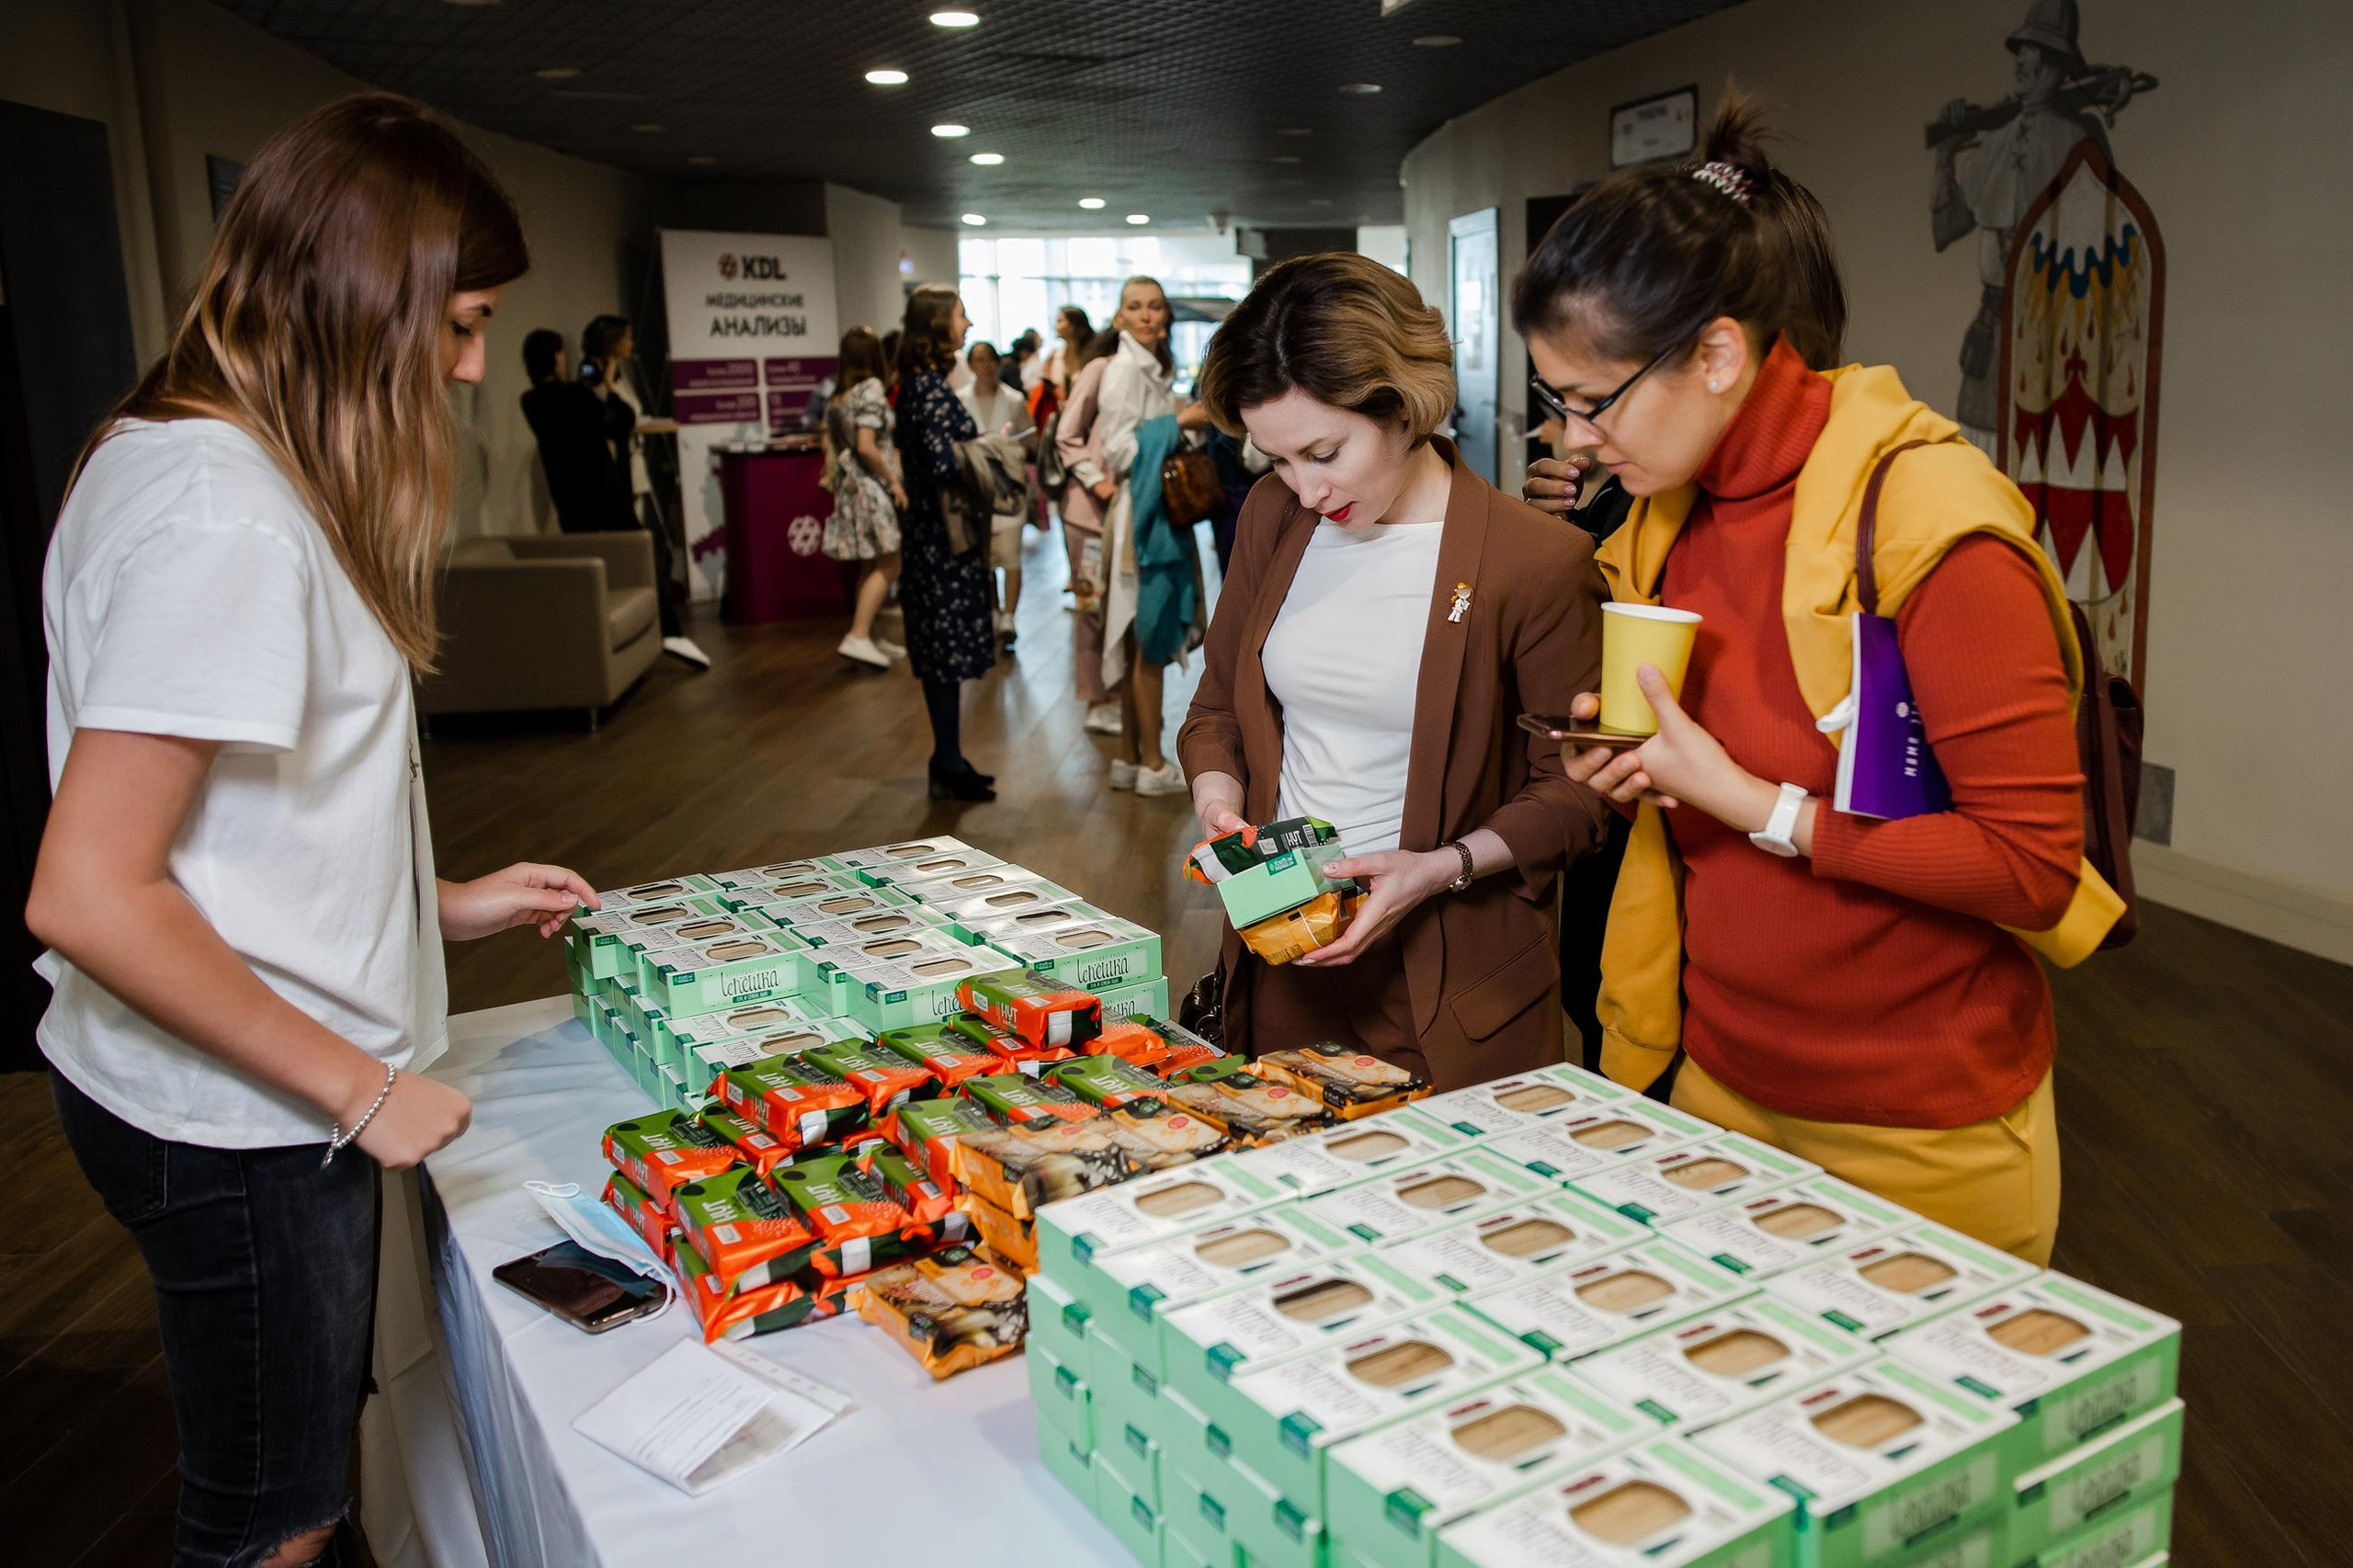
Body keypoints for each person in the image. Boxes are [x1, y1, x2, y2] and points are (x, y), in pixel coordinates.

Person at [26, 94, 597, 1568]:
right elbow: (91, 889)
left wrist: (440, 900)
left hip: (238, 1086)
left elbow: (249, 823)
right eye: (460, 320)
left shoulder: (183, 451)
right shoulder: (228, 515)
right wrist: (358, 1087)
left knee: (301, 1472)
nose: (473, 364)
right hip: (250, 1116)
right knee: (274, 1518)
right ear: (361, 298)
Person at [1516, 94, 2099, 1263]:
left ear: (1720, 352)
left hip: (1923, 1122)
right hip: (1713, 1077)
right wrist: (1632, 758)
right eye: (1555, 405)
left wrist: (1749, 800)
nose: (1572, 441)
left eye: (1591, 401)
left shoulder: (1932, 525)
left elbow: (2032, 868)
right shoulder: (1664, 522)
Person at [1177, 252, 1610, 1090]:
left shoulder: (1536, 560)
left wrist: (1438, 867)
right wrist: (1219, 802)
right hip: (1285, 959)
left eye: (1326, 452)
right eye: (1277, 460)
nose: (1305, 489)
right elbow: (1218, 706)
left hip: (1450, 988)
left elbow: (1580, 795)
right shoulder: (1275, 520)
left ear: (1405, 407)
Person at [1522, 166, 1848, 1071]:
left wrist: (1747, 799)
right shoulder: (1655, 492)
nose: (1580, 429)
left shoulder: (1871, 507)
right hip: (1657, 897)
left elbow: (2006, 854)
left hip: (1811, 974)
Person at [1092, 275, 1211, 796]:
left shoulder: (1150, 368)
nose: (1146, 315)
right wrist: (1181, 420)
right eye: (1135, 307)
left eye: (1155, 307)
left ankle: (1128, 757)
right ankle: (1155, 762)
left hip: (1150, 512)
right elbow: (1117, 450)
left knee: (1142, 635)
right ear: (1120, 316)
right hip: (1144, 520)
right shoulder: (1123, 371)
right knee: (1152, 638)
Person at [891, 284, 999, 801]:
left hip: (936, 540)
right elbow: (939, 462)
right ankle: (948, 762)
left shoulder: (924, 383)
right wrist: (987, 451)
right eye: (960, 315)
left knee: (945, 655)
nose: (968, 324)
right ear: (937, 324)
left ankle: (949, 758)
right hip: (939, 543)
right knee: (944, 653)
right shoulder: (925, 388)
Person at [580, 313, 709, 668]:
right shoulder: (591, 374)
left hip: (630, 465)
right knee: (633, 543)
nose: (632, 344)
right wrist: (604, 385)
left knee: (642, 539)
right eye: (626, 338)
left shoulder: (621, 373)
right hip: (610, 475)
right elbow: (609, 420)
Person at [824, 325, 909, 670]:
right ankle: (858, 635)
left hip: (850, 488)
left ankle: (868, 636)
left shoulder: (840, 396)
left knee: (870, 562)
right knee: (891, 562)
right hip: (872, 487)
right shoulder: (872, 390)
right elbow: (866, 446)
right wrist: (895, 483)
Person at [1054, 327, 1124, 734]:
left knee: (1117, 606)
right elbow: (1067, 434)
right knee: (1092, 608)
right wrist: (1096, 480)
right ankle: (1097, 699)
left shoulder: (1154, 371)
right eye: (1135, 307)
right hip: (1090, 513)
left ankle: (1116, 695)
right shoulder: (1101, 367)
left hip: (1125, 513)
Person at [959, 340, 1039, 644]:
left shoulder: (1014, 400)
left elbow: (1030, 441)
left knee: (1010, 553)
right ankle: (993, 610)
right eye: (978, 359)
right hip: (975, 490)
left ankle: (1009, 615)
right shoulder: (960, 399)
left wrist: (1007, 446)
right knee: (985, 555)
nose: (985, 365)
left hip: (1008, 490)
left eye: (989, 359)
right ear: (970, 364)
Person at [1042, 304, 1093, 401]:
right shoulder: (1054, 355)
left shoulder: (1091, 354)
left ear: (1073, 325)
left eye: (1060, 321)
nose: (1055, 326)